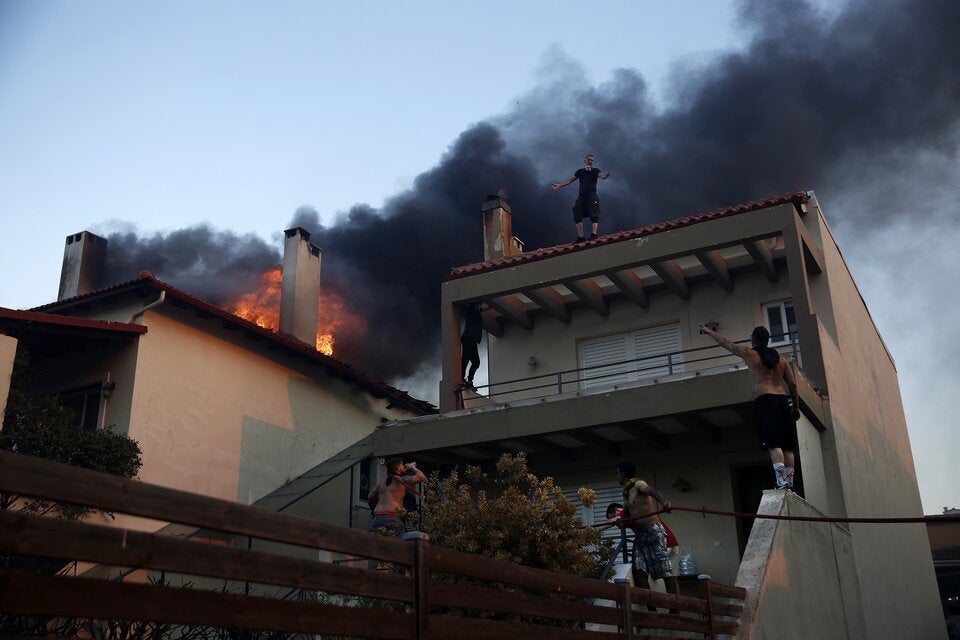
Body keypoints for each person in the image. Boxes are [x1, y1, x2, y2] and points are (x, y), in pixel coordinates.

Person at [700, 324, 800, 489]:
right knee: (788, 446)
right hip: (782, 400)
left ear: (753, 340)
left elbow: (727, 344)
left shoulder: (750, 353)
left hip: (766, 400)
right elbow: (793, 384)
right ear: (767, 340)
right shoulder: (782, 359)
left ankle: (781, 482)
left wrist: (709, 331)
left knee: (773, 443)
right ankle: (789, 482)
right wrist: (795, 407)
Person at [616, 462, 678, 598]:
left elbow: (651, 491)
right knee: (639, 569)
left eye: (618, 474)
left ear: (623, 474)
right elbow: (627, 514)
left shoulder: (639, 484)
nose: (617, 477)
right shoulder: (626, 493)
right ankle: (651, 607)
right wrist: (621, 522)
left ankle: (675, 606)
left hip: (654, 531)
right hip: (640, 536)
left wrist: (664, 501)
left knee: (665, 570)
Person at [551, 154, 611, 243]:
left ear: (593, 162)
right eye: (588, 160)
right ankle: (581, 237)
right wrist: (559, 185)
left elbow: (601, 175)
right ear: (585, 161)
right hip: (582, 196)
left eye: (591, 160)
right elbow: (569, 181)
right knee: (576, 212)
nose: (590, 161)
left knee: (594, 213)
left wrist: (605, 176)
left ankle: (594, 234)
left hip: (591, 195)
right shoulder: (580, 172)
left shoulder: (595, 171)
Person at [367, 458, 427, 539]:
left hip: (378, 517)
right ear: (397, 468)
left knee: (375, 543)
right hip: (392, 517)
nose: (404, 467)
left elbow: (370, 496)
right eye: (402, 465)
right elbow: (422, 477)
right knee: (398, 544)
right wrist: (412, 467)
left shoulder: (381, 482)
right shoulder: (402, 480)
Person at [459, 302, 485, 389]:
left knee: (476, 362)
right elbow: (468, 308)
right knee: (466, 358)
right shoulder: (471, 311)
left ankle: (469, 380)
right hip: (469, 337)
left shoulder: (476, 312)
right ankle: (461, 378)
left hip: (472, 339)